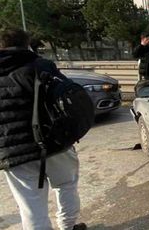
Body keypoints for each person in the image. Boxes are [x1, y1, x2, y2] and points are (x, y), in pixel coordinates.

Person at [0, 28, 86, 230]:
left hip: (14, 151)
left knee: (30, 204)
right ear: (26, 44)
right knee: (66, 185)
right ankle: (68, 226)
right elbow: (68, 97)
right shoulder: (41, 66)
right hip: (53, 140)